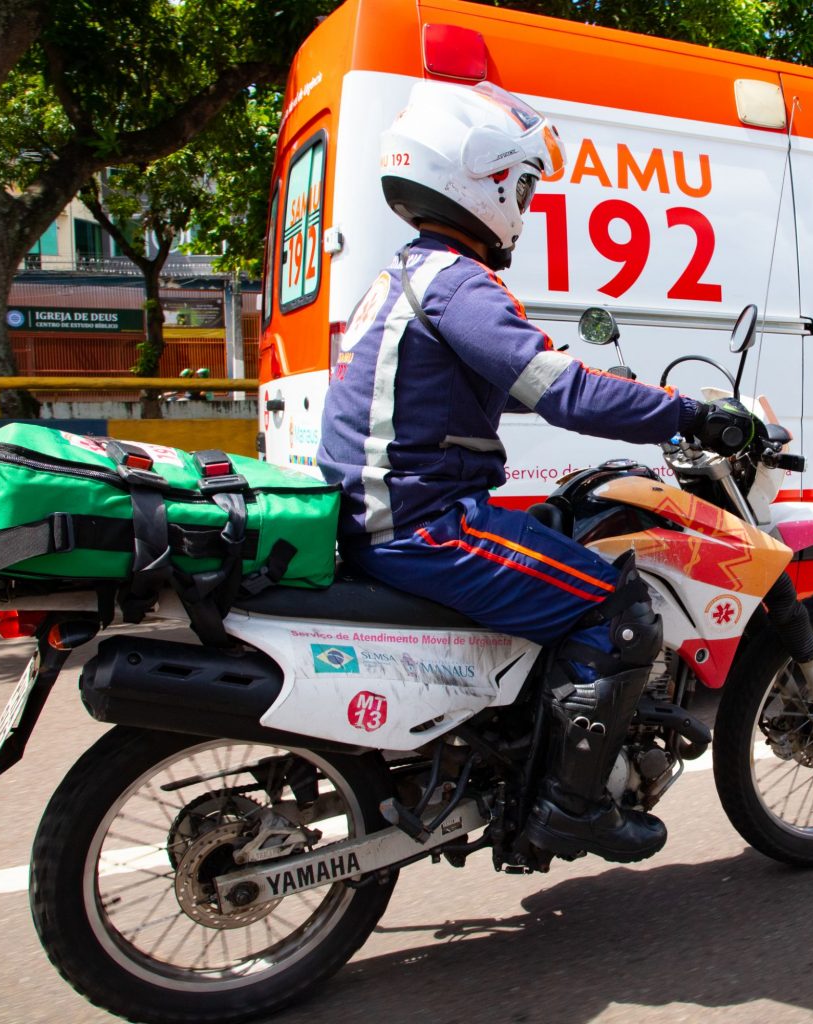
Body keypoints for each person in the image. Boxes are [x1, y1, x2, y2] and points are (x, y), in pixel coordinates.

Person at [317, 80, 754, 863]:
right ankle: (569, 808)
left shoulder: (405, 275)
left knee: (557, 549)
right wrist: (689, 413)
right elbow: (562, 392)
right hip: (425, 528)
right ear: (478, 180)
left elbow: (471, 390)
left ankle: (516, 760)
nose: (525, 202)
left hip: (380, 516)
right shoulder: (459, 282)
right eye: (522, 185)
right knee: (617, 610)